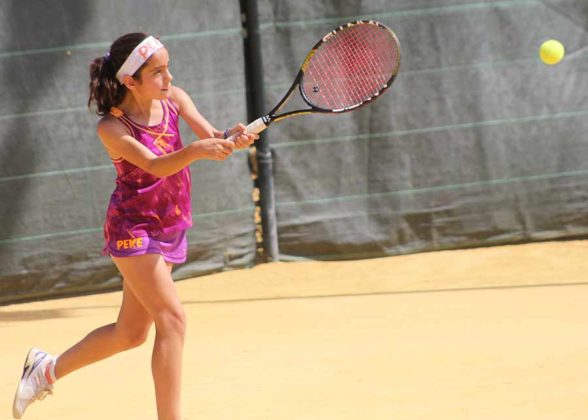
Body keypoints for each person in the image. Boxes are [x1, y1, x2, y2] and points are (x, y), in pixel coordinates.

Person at [12, 32, 258, 420]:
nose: (168, 78)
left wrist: (232, 138)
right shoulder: (112, 128)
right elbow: (156, 165)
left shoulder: (175, 99)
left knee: (130, 334)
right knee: (172, 320)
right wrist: (198, 151)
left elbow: (213, 137)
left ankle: (45, 370)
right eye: (157, 72)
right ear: (130, 80)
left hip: (170, 223)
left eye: (168, 68)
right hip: (132, 229)